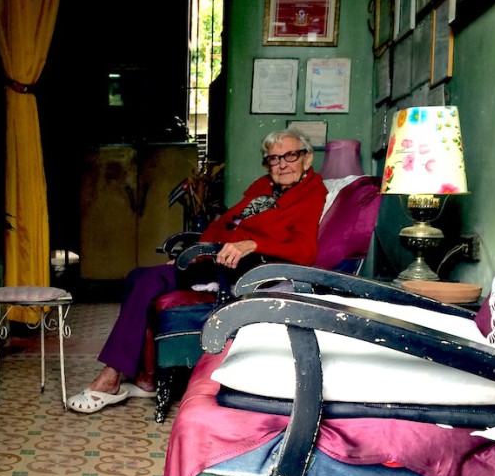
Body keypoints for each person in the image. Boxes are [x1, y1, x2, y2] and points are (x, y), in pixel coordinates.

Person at [67, 129, 328, 414]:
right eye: (273, 158)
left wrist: (253, 243)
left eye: (290, 156)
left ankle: (110, 379)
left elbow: (305, 251)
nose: (282, 164)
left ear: (307, 158)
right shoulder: (263, 187)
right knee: (138, 276)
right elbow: (225, 224)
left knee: (149, 281)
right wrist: (191, 255)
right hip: (213, 258)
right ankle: (146, 377)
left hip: (241, 270)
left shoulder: (311, 193)